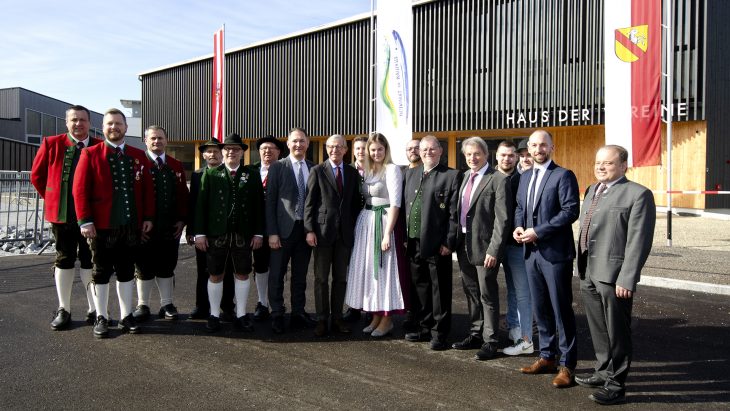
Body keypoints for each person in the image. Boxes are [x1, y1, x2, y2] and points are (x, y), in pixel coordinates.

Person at [576, 145, 655, 405]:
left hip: (614, 276)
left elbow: (638, 241)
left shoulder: (638, 194)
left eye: (608, 163)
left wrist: (627, 277)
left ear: (623, 166)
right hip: (588, 271)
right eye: (598, 162)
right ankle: (602, 371)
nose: (600, 167)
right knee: (598, 329)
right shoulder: (591, 190)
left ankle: (616, 385)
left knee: (617, 332)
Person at [73, 108, 155, 338]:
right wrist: (85, 220)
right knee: (100, 272)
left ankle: (126, 315)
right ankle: (101, 315)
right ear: (103, 126)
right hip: (101, 226)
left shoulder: (138, 156)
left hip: (130, 225)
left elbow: (147, 190)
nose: (114, 127)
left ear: (126, 128)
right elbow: (79, 191)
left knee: (127, 271)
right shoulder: (90, 154)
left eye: (118, 124)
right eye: (110, 124)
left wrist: (147, 217)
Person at [513, 130, 580, 388]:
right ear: (528, 148)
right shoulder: (525, 176)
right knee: (540, 307)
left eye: (543, 145)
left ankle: (567, 365)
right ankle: (547, 356)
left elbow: (570, 211)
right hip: (530, 253)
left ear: (552, 147)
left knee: (561, 310)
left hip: (555, 254)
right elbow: (520, 208)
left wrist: (538, 231)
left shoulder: (563, 175)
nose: (538, 149)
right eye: (534, 145)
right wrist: (519, 227)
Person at [31, 105, 102, 330]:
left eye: (82, 120)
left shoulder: (99, 147)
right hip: (62, 216)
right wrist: (54, 198)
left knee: (91, 261)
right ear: (66, 122)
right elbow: (37, 176)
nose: (78, 124)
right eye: (74, 120)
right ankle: (64, 309)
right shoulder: (51, 144)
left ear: (90, 123)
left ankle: (95, 309)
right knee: (64, 259)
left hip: (92, 218)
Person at [194, 133, 264, 332]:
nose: (231, 152)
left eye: (236, 149)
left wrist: (259, 233)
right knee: (215, 274)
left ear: (242, 152)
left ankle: (241, 314)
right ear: (222, 151)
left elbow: (259, 205)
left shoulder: (251, 174)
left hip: (243, 233)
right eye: (228, 149)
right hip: (217, 233)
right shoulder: (211, 173)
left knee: (242, 273)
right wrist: (199, 233)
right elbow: (201, 206)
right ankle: (214, 314)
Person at [452, 137, 510, 360]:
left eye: (477, 153)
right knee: (471, 293)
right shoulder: (465, 176)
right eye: (468, 154)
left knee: (487, 295)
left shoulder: (498, 179)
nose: (472, 158)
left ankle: (490, 340)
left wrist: (494, 250)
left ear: (486, 155)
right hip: (464, 244)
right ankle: (475, 333)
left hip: (485, 248)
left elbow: (502, 220)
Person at [403, 135, 461, 350]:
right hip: (413, 242)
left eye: (432, 149)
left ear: (440, 151)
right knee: (421, 288)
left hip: (437, 244)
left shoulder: (452, 176)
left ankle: (440, 333)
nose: (428, 152)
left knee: (440, 290)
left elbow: (454, 214)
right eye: (424, 149)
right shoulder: (410, 174)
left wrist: (448, 241)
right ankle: (424, 327)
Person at [345, 133, 404, 337]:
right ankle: (376, 316)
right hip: (367, 222)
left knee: (384, 270)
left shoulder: (392, 169)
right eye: (373, 149)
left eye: (380, 149)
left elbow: (396, 203)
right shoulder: (368, 171)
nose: (376, 153)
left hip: (384, 221)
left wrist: (387, 234)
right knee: (371, 271)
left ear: (386, 150)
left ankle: (387, 319)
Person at [305, 134, 362, 337]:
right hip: (322, 233)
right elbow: (309, 203)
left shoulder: (352, 173)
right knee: (321, 278)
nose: (334, 150)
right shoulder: (317, 171)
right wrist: (309, 230)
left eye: (338, 147)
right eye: (330, 147)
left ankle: (337, 318)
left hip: (345, 234)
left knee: (340, 278)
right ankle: (321, 319)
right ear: (326, 149)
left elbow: (355, 204)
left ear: (345, 150)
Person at [133, 125, 188, 322]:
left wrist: (182, 220)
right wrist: (136, 225)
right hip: (143, 228)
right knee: (144, 267)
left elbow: (182, 196)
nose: (157, 142)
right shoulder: (137, 163)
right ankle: (143, 304)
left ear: (166, 140)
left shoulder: (176, 165)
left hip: (169, 227)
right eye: (153, 138)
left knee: (167, 266)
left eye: (161, 138)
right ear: (145, 140)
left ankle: (167, 304)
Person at [265, 127, 316, 333]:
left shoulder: (313, 168)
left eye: (302, 141)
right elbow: (270, 202)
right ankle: (277, 313)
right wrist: (272, 232)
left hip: (304, 230)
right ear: (288, 144)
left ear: (308, 144)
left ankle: (298, 312)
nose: (298, 145)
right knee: (276, 274)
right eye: (294, 141)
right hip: (282, 231)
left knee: (300, 275)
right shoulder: (278, 167)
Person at [187, 140, 235, 320]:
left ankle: (227, 306)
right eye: (209, 152)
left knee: (227, 269)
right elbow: (193, 205)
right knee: (203, 270)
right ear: (204, 155)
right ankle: (202, 306)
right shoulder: (198, 174)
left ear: (222, 153)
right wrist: (192, 231)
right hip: (203, 232)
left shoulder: (228, 173)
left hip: (224, 231)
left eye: (216, 151)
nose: (213, 154)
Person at [495, 141, 534, 356]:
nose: (525, 158)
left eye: (528, 154)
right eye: (523, 154)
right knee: (512, 289)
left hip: (519, 244)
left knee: (522, 292)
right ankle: (514, 327)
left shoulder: (525, 179)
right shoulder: (501, 178)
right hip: (501, 243)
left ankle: (525, 338)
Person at [250, 135, 287, 321]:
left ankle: (278, 304)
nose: (267, 151)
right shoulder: (250, 171)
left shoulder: (286, 170)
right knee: (260, 265)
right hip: (258, 228)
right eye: (264, 148)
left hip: (281, 228)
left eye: (272, 148)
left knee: (279, 268)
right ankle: (262, 302)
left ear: (279, 152)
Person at [343, 135, 369, 323]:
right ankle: (353, 306)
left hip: (371, 224)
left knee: (368, 267)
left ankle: (369, 306)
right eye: (358, 148)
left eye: (364, 148)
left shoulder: (377, 169)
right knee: (351, 268)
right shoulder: (347, 170)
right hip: (350, 224)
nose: (361, 151)